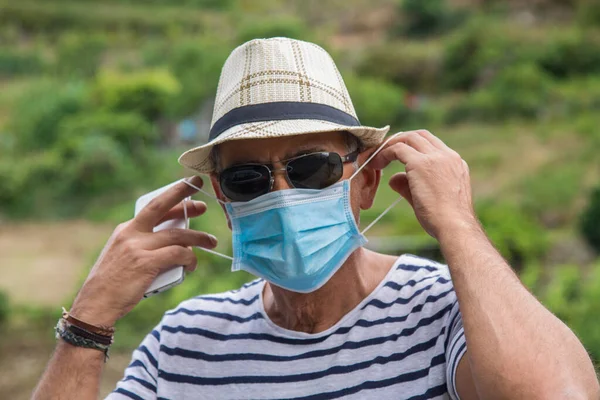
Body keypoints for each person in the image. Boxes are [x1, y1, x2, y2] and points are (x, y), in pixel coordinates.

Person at [33, 38, 599, 400]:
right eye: (249, 179)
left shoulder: (446, 310)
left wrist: (458, 226)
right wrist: (90, 318)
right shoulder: (183, 345)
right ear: (227, 205)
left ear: (367, 182)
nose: (282, 195)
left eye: (313, 169)